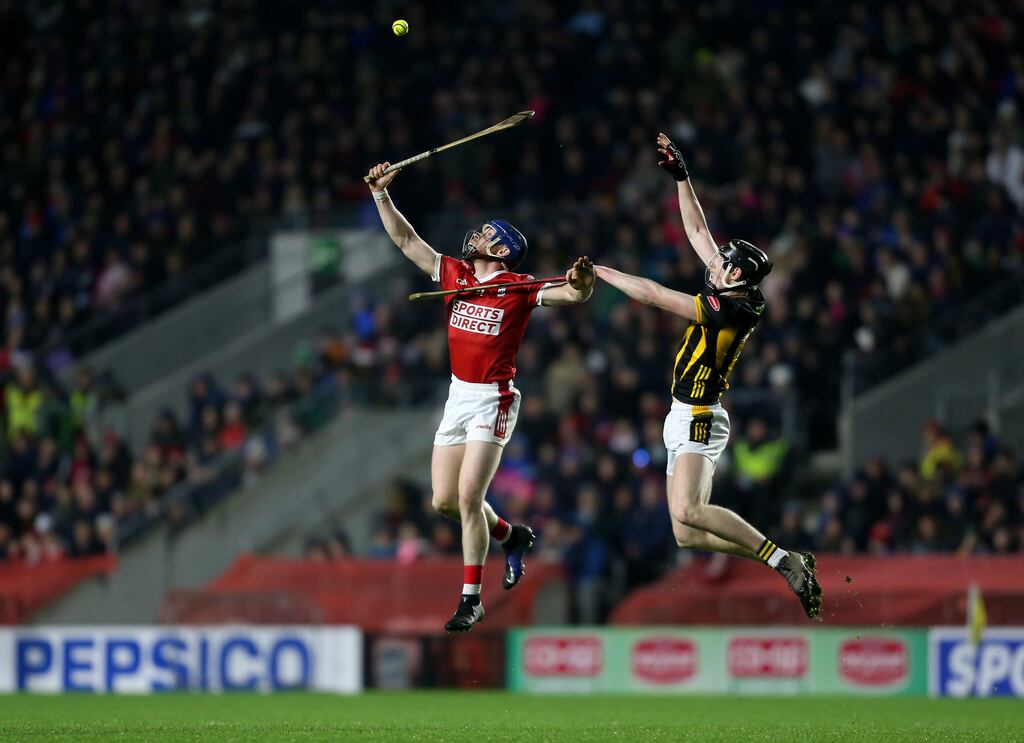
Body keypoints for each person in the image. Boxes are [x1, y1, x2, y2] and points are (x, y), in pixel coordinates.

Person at [594, 133, 822, 620]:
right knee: (686, 531)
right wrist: (683, 177)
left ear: (738, 277)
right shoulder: (733, 287)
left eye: (725, 265)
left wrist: (604, 273)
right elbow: (699, 233)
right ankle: (782, 559)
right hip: (683, 411)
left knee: (694, 513)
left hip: (699, 413)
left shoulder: (732, 308)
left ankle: (784, 561)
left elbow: (657, 296)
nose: (715, 265)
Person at [366, 161, 595, 632]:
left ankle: (471, 598)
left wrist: (581, 283)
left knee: (470, 497)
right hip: (458, 396)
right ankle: (513, 536)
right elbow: (407, 241)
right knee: (443, 502)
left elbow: (571, 296)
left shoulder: (518, 287)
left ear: (502, 249)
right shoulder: (454, 272)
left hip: (494, 398)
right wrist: (380, 196)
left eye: (487, 234)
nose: (476, 237)